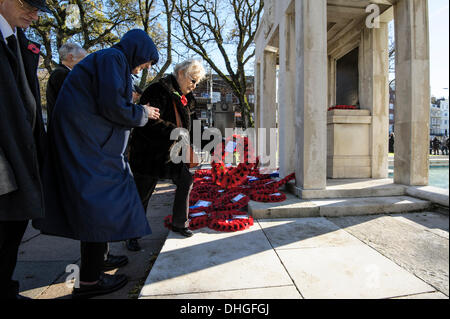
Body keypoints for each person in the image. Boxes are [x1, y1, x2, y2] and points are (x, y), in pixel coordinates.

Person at [35, 29, 161, 299]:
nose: (144, 68)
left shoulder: (108, 59)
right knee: (99, 207)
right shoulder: (114, 59)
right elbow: (114, 107)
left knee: (98, 206)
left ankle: (98, 263)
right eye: (147, 61)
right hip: (89, 149)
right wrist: (143, 112)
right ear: (138, 51)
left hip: (86, 144)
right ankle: (90, 282)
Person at [0, 0, 51, 299]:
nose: (35, 13)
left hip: (21, 155)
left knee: (12, 231)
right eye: (28, 4)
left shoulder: (19, 42)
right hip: (7, 158)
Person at [127, 59, 205, 250]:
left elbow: (195, 127)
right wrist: (176, 132)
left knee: (186, 179)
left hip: (173, 153)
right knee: (142, 194)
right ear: (180, 74)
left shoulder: (189, 97)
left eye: (197, 82)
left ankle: (180, 223)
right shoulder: (156, 90)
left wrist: (216, 145)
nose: (194, 85)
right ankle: (132, 235)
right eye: (193, 80)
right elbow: (148, 121)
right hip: (149, 153)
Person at [46, 42, 87, 124]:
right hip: (63, 127)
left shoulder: (62, 73)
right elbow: (70, 103)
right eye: (82, 59)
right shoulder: (61, 74)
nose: (85, 63)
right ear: (71, 57)